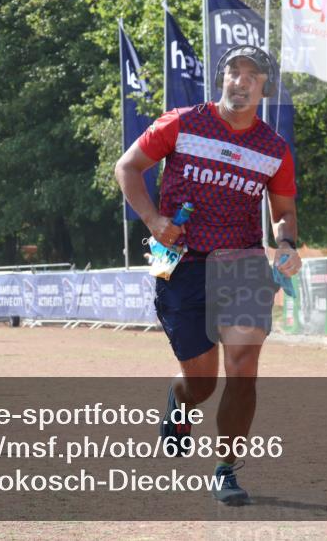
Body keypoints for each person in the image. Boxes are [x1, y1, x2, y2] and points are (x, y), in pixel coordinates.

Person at [114, 44, 300, 506]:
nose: (241, 81)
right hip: (179, 261)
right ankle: (180, 400)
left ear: (264, 88)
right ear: (222, 78)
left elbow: (284, 211)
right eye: (234, 72)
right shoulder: (181, 122)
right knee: (202, 382)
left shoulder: (274, 149)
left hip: (242, 262)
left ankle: (226, 469)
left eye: (252, 76)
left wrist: (286, 243)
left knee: (243, 370)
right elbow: (127, 168)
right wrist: (155, 222)